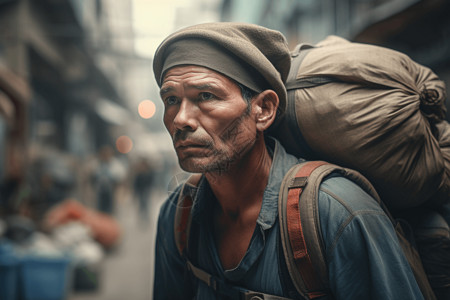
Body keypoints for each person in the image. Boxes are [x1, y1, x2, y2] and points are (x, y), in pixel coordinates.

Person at [152, 22, 424, 299]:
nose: (181, 119)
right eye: (171, 100)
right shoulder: (178, 215)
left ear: (263, 110)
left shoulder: (337, 214)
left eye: (206, 96)